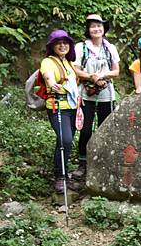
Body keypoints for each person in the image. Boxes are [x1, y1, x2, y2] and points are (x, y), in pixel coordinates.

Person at [72, 14, 120, 183]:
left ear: (103, 29)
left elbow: (116, 71)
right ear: (88, 29)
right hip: (86, 93)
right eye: (93, 26)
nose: (96, 29)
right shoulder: (80, 47)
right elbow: (76, 69)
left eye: (99, 26)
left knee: (104, 128)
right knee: (85, 129)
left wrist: (102, 75)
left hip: (107, 95)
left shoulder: (110, 48)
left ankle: (102, 160)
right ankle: (83, 162)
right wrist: (92, 77)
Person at [41, 29, 80, 193]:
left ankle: (64, 175)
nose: (63, 46)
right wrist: (51, 83)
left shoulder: (69, 62)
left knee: (66, 142)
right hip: (58, 107)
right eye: (59, 43)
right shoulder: (48, 61)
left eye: (65, 43)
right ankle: (59, 177)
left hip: (72, 107)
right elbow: (48, 75)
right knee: (65, 140)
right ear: (53, 46)